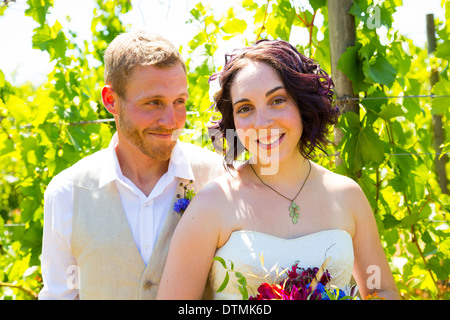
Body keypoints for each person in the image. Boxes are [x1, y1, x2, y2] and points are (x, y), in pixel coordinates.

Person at [157, 39, 400, 300]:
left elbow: (379, 288)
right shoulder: (212, 204)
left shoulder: (347, 196)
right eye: (246, 108)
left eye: (277, 100)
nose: (262, 122)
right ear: (234, 122)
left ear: (302, 103)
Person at [39, 30, 225, 300]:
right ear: (111, 101)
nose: (171, 121)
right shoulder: (67, 193)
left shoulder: (220, 178)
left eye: (179, 102)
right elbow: (60, 296)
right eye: (153, 103)